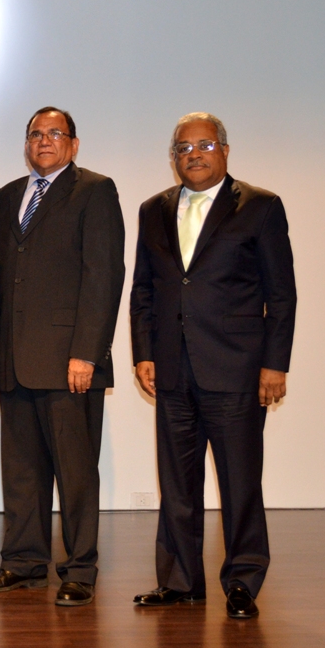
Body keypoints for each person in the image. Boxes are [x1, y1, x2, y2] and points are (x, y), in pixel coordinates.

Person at [130, 112, 296, 619]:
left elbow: (281, 295)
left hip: (237, 371)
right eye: (183, 148)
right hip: (174, 372)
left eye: (204, 145)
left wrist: (274, 364)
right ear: (173, 157)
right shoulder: (152, 209)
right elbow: (143, 291)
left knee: (240, 484)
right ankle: (180, 581)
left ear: (225, 150)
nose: (193, 154)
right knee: (177, 485)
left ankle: (243, 580)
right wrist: (144, 353)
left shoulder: (261, 207)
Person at [0, 107, 125, 606]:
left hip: (69, 364)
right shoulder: (6, 198)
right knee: (21, 470)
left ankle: (81, 568)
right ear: (25, 144)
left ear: (74, 144)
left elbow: (103, 277)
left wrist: (86, 353)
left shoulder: (95, 191)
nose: (44, 141)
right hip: (16, 360)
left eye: (54, 134)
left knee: (76, 472)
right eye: (35, 134)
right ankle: (23, 562)